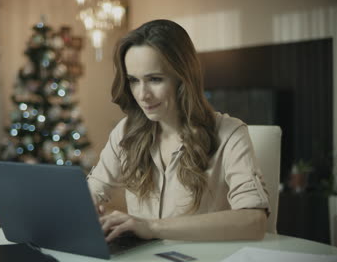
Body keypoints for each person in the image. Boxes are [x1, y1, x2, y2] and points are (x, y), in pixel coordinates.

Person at [87, 19, 269, 242]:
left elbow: (254, 222)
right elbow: (92, 192)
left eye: (154, 79)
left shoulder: (230, 133)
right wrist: (86, 206)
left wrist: (152, 227)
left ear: (183, 79)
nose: (142, 94)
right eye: (133, 81)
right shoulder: (125, 132)